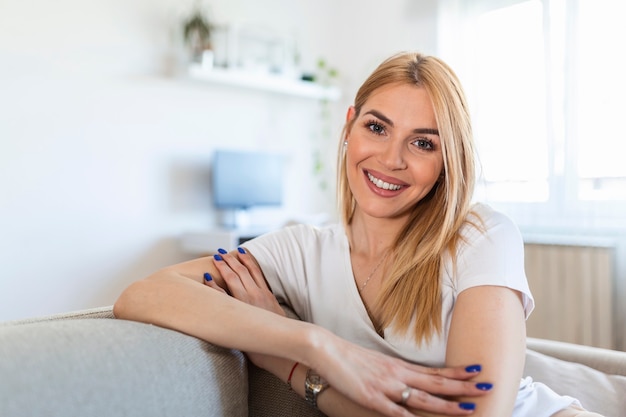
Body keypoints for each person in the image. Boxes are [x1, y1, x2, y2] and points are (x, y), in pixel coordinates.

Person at [114, 52, 602, 417]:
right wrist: (314, 344)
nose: (392, 159)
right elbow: (144, 294)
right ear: (349, 127)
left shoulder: (481, 236)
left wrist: (283, 362)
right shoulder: (300, 250)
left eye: (423, 143)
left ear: (448, 160)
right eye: (377, 127)